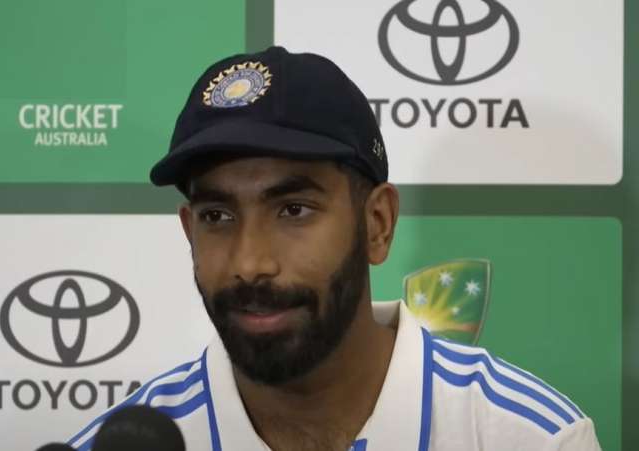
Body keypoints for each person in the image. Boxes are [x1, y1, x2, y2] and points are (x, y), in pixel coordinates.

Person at [67, 46, 600, 451]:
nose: (250, 263)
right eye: (218, 217)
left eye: (293, 209)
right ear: (189, 232)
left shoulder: (531, 438)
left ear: (377, 224)